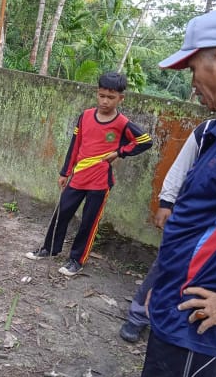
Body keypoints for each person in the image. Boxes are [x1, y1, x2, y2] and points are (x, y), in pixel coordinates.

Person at [128, 6, 216, 377]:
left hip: (199, 335)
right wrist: (162, 286)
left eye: (192, 67)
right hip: (176, 317)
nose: (192, 83)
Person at [24, 72, 152, 277]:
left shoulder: (122, 123)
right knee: (62, 212)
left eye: (111, 97)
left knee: (88, 223)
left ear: (121, 98)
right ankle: (50, 248)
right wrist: (65, 172)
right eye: (102, 95)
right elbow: (75, 145)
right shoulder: (85, 116)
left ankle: (76, 259)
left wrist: (119, 152)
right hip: (78, 176)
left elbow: (145, 141)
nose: (105, 101)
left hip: (100, 182)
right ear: (97, 93)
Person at [119, 115, 216, 343]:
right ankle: (138, 315)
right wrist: (166, 202)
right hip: (192, 218)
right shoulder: (207, 131)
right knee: (165, 265)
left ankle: (188, 323)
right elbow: (181, 167)